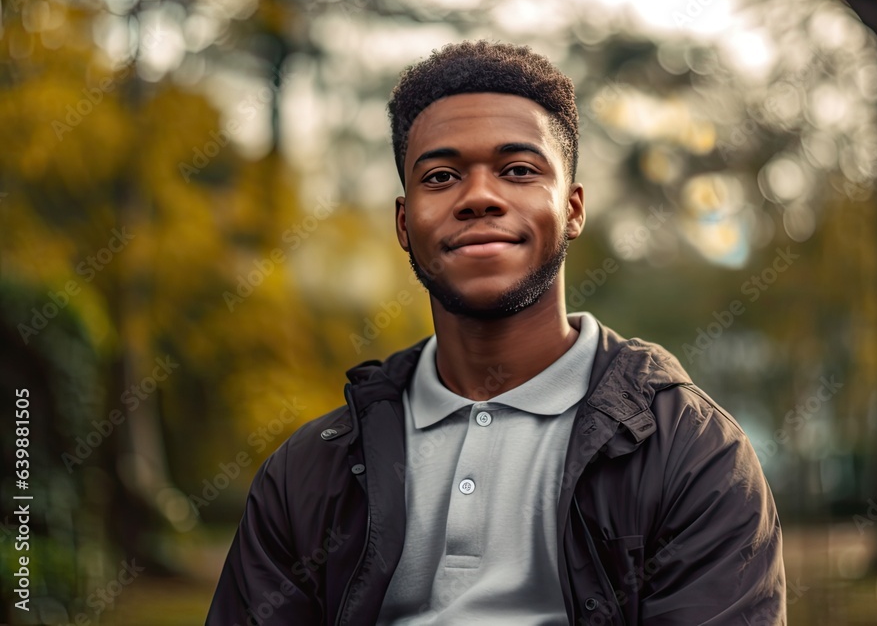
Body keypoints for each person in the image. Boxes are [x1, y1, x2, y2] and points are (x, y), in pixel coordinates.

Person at [206, 40, 786, 625]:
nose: (479, 197)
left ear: (573, 209)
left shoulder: (691, 453)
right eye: (441, 176)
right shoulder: (305, 474)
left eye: (518, 170)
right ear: (405, 223)